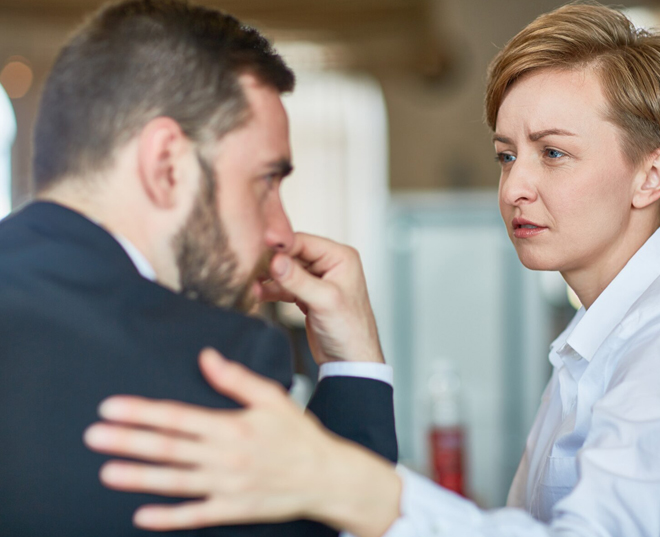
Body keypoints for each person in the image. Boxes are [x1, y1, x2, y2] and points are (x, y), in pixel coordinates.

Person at [83, 3, 660, 537]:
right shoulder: (609, 334)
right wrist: (357, 354)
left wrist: (341, 478)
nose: (515, 186)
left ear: (651, 176)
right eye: (506, 154)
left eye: (553, 152)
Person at [0, 1, 398, 535]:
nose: (281, 230)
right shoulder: (216, 367)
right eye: (266, 181)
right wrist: (355, 371)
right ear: (167, 165)